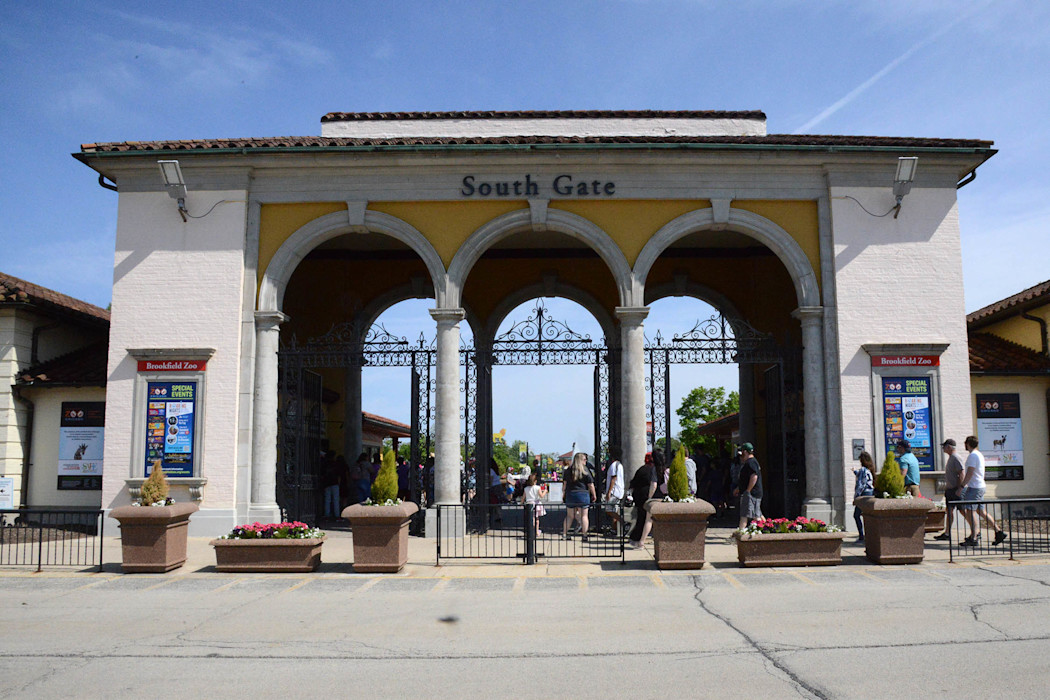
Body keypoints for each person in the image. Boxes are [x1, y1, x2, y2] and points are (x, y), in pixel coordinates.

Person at [958, 435, 1008, 547]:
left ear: (968, 444)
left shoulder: (973, 456)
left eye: (965, 443)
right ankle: (998, 532)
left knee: (970, 511)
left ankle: (974, 537)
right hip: (980, 486)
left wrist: (962, 486)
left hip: (975, 487)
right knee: (981, 511)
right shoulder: (978, 454)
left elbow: (970, 473)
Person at [934, 439, 964, 540]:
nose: (943, 448)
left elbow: (961, 473)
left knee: (963, 511)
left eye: (944, 446)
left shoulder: (956, 457)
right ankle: (947, 533)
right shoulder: (951, 457)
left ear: (949, 447)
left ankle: (975, 531)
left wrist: (960, 488)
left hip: (956, 489)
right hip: (950, 489)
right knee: (949, 510)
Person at [627, 453, 659, 548]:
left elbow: (633, 483)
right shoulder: (653, 470)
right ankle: (637, 537)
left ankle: (636, 537)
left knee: (641, 517)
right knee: (644, 518)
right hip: (645, 495)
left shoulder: (642, 469)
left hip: (639, 495)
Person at [562, 452, 596, 541]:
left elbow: (564, 485)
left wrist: (564, 494)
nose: (586, 461)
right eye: (584, 459)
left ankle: (564, 534)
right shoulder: (585, 470)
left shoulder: (568, 470)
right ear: (580, 460)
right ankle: (584, 535)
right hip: (583, 494)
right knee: (584, 516)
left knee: (569, 516)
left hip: (571, 493)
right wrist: (594, 495)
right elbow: (590, 484)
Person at [733, 442, 763, 529]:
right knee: (757, 514)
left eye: (742, 453)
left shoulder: (750, 463)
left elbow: (754, 476)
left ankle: (741, 532)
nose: (741, 456)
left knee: (745, 515)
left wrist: (748, 490)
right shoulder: (754, 462)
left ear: (745, 452)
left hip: (751, 493)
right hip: (754, 492)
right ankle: (768, 528)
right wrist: (739, 488)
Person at [852, 451, 875, 541]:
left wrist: (856, 497)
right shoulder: (870, 469)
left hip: (864, 494)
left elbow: (861, 484)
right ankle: (869, 534)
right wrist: (855, 472)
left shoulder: (863, 470)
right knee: (867, 514)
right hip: (870, 493)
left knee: (856, 515)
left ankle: (861, 535)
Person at [603, 446, 625, 536]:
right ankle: (614, 528)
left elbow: (613, 479)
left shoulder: (614, 465)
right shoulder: (619, 465)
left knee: (609, 510)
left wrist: (609, 492)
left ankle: (622, 521)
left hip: (615, 491)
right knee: (614, 510)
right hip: (617, 491)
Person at [321, 450, 341, 519]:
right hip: (335, 483)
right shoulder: (336, 464)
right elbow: (339, 475)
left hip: (327, 483)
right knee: (336, 499)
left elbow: (322, 474)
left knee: (327, 499)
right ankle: (337, 514)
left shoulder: (325, 464)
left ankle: (327, 514)